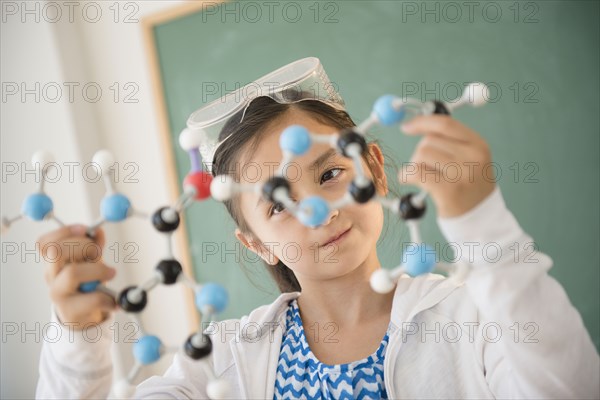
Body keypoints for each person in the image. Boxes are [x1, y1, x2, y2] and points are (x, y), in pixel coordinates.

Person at [36, 58, 599, 399]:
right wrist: (77, 335)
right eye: (278, 205)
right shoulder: (222, 358)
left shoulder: (471, 320)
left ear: (374, 168)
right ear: (255, 242)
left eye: (330, 174)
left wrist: (482, 223)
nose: (319, 211)